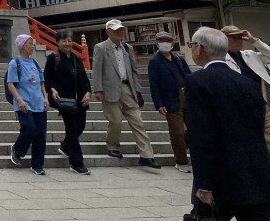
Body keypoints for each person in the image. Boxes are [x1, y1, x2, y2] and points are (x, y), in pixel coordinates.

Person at [186, 26, 270, 221]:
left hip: (220, 180)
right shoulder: (249, 83)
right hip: (255, 175)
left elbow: (201, 137)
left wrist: (203, 184)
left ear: (200, 48)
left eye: (192, 45)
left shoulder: (198, 81)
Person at [91, 18, 160, 170]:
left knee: (138, 121)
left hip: (127, 87)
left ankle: (147, 155)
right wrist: (97, 89)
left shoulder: (127, 48)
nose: (119, 33)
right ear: (108, 32)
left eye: (120, 30)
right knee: (115, 121)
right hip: (109, 88)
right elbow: (96, 70)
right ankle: (113, 146)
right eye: (115, 30)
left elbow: (134, 70)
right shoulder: (101, 47)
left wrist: (138, 89)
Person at [43, 28, 91, 175]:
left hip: (80, 98)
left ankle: (65, 146)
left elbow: (83, 77)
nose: (68, 43)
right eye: (64, 41)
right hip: (64, 99)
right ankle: (77, 163)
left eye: (70, 41)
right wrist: (52, 89)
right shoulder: (54, 58)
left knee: (80, 126)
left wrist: (88, 92)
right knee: (71, 128)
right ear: (57, 42)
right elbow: (47, 78)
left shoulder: (76, 58)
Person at [146, 29, 192, 172]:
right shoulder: (155, 62)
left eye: (167, 40)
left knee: (195, 128)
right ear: (157, 43)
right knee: (177, 132)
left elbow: (189, 76)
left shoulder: (178, 59)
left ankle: (184, 148)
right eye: (161, 41)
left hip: (186, 96)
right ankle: (181, 160)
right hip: (170, 99)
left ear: (172, 43)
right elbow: (154, 84)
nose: (164, 43)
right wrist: (158, 103)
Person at [221, 24, 270, 152]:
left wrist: (254, 41)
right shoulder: (221, 60)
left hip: (261, 104)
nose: (239, 40)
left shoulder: (250, 55)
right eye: (234, 38)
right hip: (239, 107)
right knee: (247, 141)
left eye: (240, 37)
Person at [7, 34, 49, 175]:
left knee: (40, 135)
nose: (32, 46)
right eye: (29, 43)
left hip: (39, 103)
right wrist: (19, 99)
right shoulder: (15, 63)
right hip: (24, 103)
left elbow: (41, 81)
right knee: (29, 128)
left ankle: (37, 165)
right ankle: (17, 150)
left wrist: (46, 97)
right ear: (21, 45)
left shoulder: (35, 63)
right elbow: (10, 83)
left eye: (33, 43)